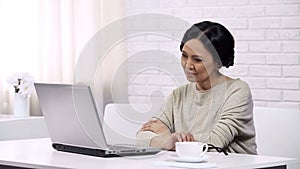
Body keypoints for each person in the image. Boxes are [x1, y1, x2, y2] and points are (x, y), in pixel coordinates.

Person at [136, 21, 257, 154]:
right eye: (184, 55)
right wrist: (166, 141)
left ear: (218, 62)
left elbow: (214, 142)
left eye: (197, 60)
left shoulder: (237, 91)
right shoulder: (179, 94)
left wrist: (166, 135)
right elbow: (142, 136)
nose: (188, 65)